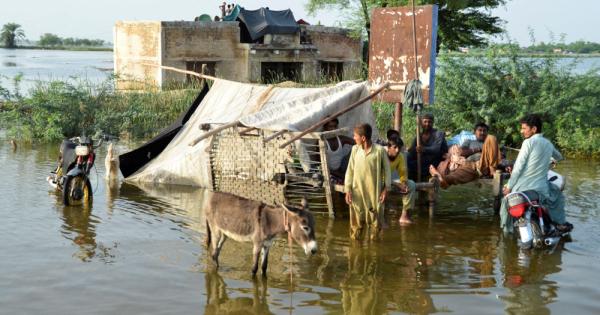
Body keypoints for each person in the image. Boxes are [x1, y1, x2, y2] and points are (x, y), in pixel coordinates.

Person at [500, 114, 571, 232]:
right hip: (542, 190)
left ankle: (508, 232)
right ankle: (559, 223)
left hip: (523, 187)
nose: (521, 131)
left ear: (534, 129)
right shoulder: (548, 143)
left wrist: (509, 186)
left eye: (524, 128)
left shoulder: (528, 143)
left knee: (506, 197)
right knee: (558, 195)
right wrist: (551, 160)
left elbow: (518, 167)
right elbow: (559, 157)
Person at [344, 123, 391, 240]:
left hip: (374, 194)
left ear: (363, 138)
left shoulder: (379, 151)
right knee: (356, 225)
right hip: (357, 192)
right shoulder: (355, 150)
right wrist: (348, 190)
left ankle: (374, 253)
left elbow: (387, 171)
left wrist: (386, 190)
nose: (354, 138)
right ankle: (356, 252)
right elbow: (350, 170)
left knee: (375, 224)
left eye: (355, 136)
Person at [429, 122, 501, 188]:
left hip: (484, 164)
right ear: (474, 132)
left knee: (492, 138)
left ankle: (492, 169)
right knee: (456, 176)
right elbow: (462, 152)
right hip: (471, 166)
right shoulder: (469, 141)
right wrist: (478, 149)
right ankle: (442, 179)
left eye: (484, 130)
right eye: (480, 130)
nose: (482, 132)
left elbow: (499, 157)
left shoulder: (489, 142)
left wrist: (507, 166)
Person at [407, 113, 448, 181]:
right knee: (408, 157)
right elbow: (412, 150)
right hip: (423, 160)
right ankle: (411, 182)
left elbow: (436, 149)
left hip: (435, 160)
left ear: (432, 123)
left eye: (429, 122)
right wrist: (412, 149)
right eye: (425, 121)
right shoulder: (419, 136)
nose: (427, 124)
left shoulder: (438, 133)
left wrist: (423, 149)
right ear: (421, 123)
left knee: (425, 162)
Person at [386, 135, 416, 225]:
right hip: (376, 180)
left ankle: (404, 216)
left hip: (389, 181)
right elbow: (379, 176)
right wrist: (397, 184)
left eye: (399, 148)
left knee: (411, 184)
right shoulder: (381, 154)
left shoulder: (400, 157)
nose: (397, 150)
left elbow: (403, 173)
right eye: (394, 147)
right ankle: (380, 216)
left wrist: (403, 183)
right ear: (388, 147)